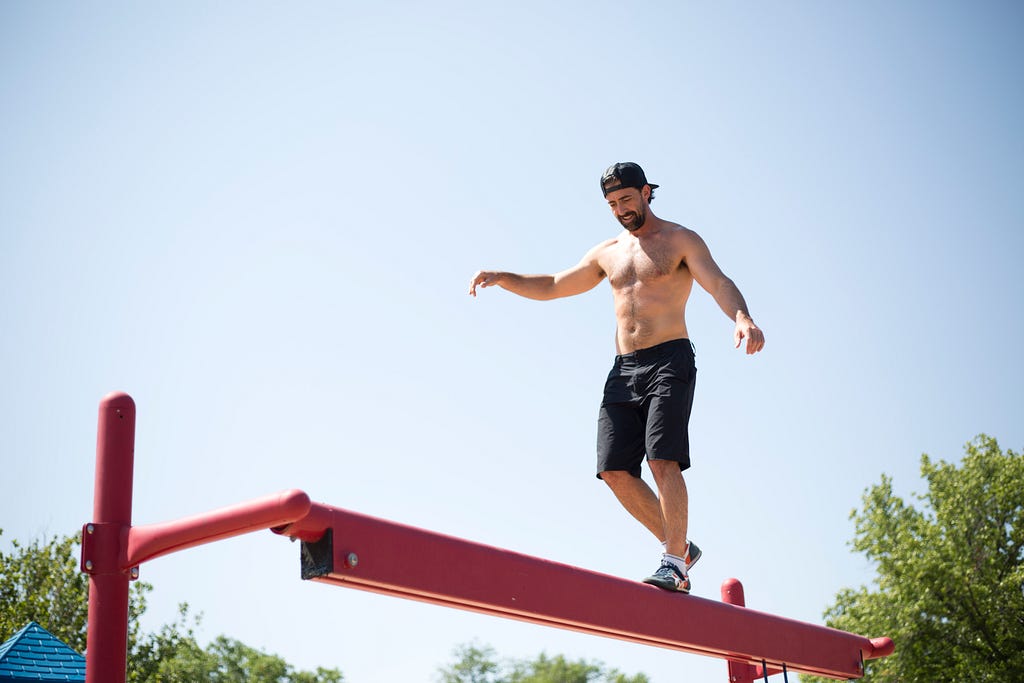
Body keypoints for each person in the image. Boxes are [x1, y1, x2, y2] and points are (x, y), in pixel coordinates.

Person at [469, 162, 764, 593]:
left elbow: (718, 282)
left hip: (670, 360)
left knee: (662, 458)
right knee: (613, 470)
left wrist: (742, 317)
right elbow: (553, 284)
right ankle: (680, 546)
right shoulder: (608, 251)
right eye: (611, 204)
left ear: (646, 192)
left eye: (626, 199)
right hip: (624, 368)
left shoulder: (680, 240)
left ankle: (673, 563)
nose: (620, 209)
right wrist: (505, 277)